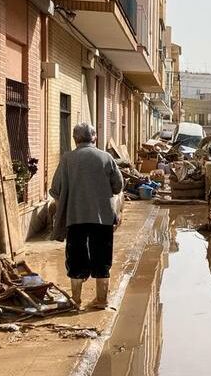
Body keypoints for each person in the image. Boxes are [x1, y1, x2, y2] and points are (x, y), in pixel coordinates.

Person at [49, 123, 123, 310]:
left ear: (75, 139)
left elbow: (55, 189)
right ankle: (101, 300)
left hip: (75, 218)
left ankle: (76, 299)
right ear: (94, 138)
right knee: (102, 256)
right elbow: (118, 186)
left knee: (76, 256)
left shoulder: (67, 159)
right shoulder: (106, 157)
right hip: (103, 218)